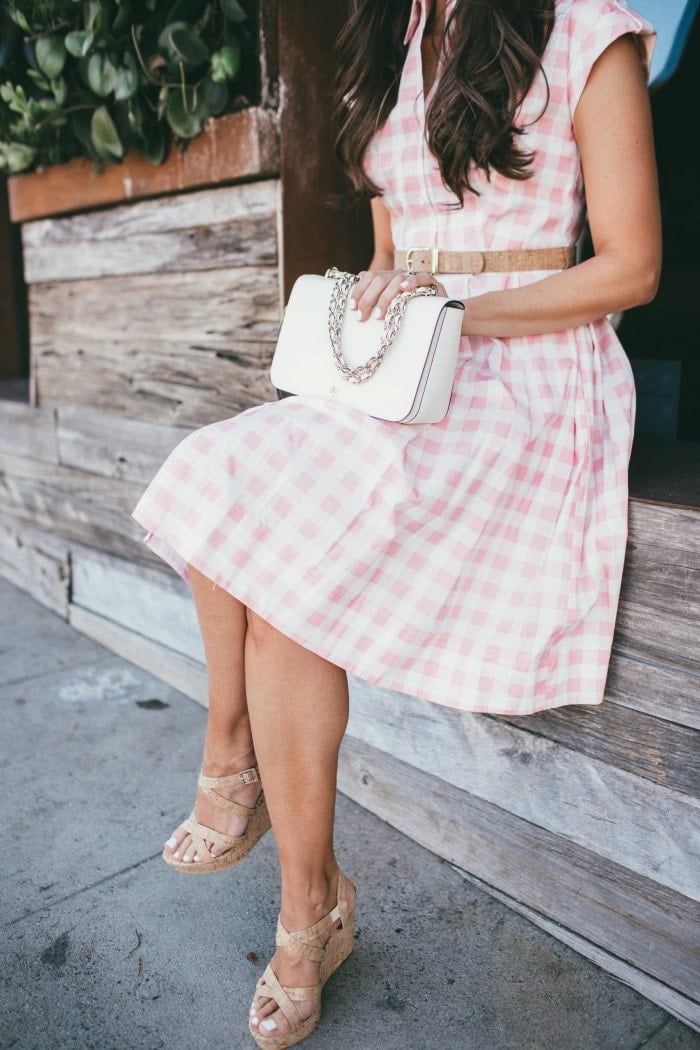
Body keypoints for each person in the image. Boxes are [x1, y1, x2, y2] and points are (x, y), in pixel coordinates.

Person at [131, 0, 661, 1045]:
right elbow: (392, 248)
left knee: (285, 584)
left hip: (532, 372)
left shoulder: (590, 32)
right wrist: (389, 290)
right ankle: (253, 793)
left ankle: (297, 904)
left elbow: (631, 270)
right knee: (213, 474)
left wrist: (458, 311)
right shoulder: (393, 36)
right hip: (408, 368)